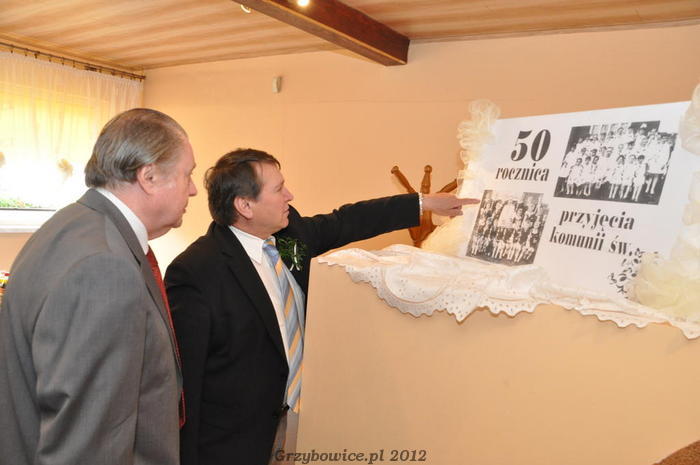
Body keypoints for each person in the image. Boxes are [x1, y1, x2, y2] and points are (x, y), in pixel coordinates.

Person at [165, 148, 478, 465]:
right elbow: (184, 386)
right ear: (244, 205)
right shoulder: (196, 272)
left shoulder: (289, 235)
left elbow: (347, 220)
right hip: (232, 443)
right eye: (278, 189)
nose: (290, 195)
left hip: (295, 424)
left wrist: (423, 204)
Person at [0, 108, 197, 465]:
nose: (194, 189)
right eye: (188, 175)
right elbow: (88, 446)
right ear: (149, 177)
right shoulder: (105, 267)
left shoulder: (71, 223)